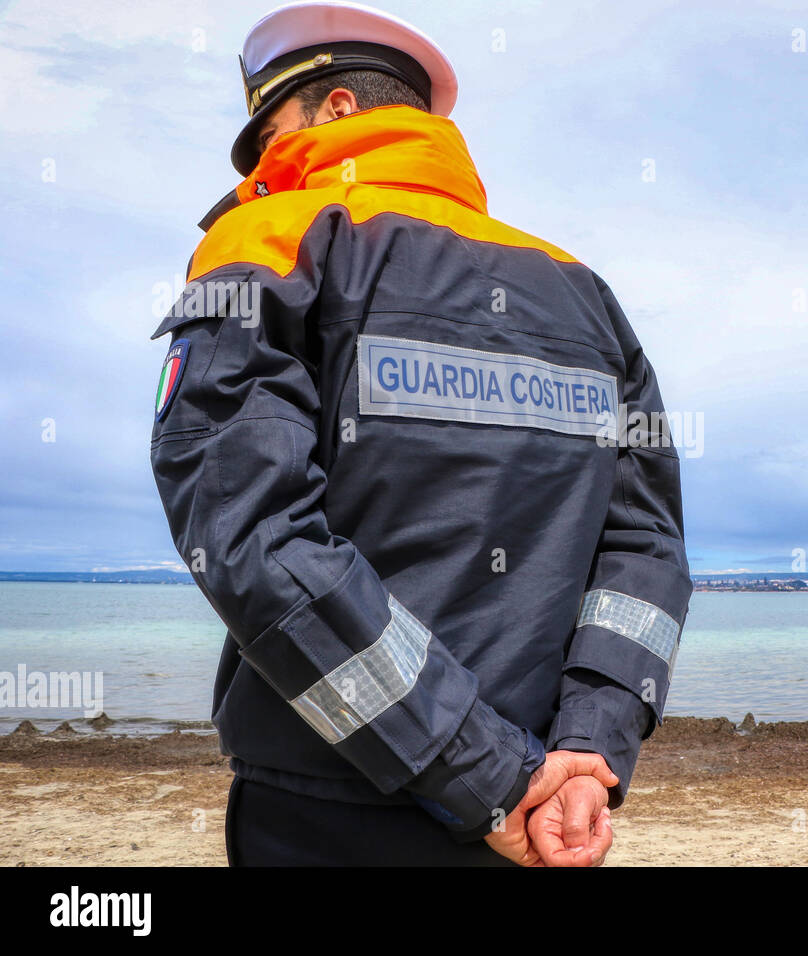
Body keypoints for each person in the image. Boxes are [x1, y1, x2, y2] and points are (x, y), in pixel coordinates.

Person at [149, 0, 691, 867]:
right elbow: (646, 550)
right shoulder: (583, 293)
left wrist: (482, 774)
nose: (262, 167)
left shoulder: (273, 239)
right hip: (545, 812)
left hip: (333, 814)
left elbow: (251, 537)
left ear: (336, 112)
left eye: (269, 132)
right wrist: (591, 751)